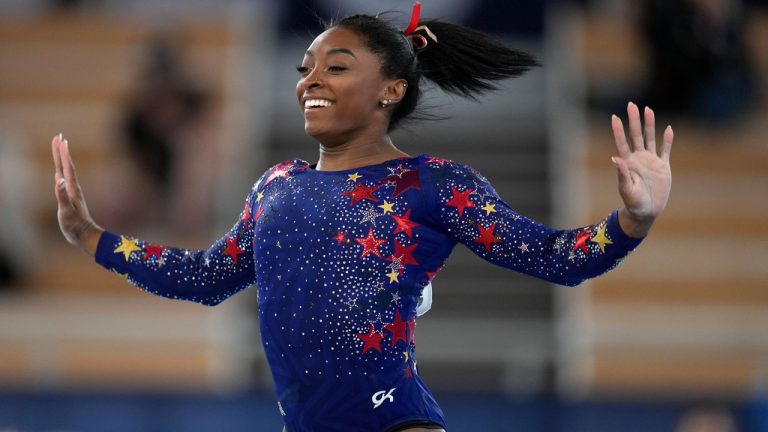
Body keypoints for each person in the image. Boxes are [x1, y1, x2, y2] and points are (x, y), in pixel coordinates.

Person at [51, 3, 673, 431]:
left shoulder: (430, 185)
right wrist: (90, 236)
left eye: (336, 67)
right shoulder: (275, 185)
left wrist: (633, 220)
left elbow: (554, 257)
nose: (309, 81)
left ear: (390, 89)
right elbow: (206, 275)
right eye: (305, 70)